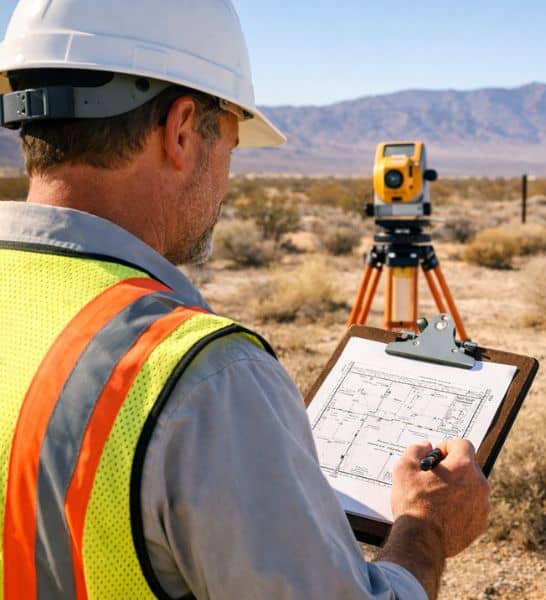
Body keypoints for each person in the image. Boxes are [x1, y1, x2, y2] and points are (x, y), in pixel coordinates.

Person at [0, 1, 490, 599]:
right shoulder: (204, 380)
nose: (229, 175)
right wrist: (425, 529)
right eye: (232, 141)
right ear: (182, 129)